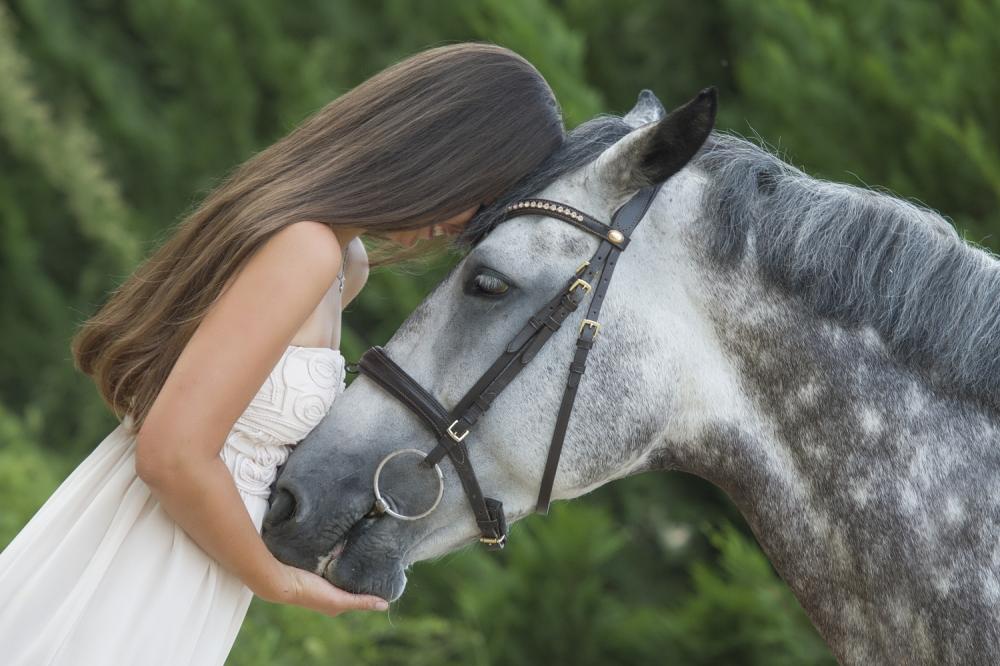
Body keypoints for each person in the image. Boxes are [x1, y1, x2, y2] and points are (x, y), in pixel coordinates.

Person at [0, 41, 564, 665]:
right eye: (480, 195)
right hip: (143, 565)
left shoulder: (343, 266)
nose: (465, 226)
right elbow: (173, 454)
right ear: (438, 152)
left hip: (186, 568)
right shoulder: (306, 250)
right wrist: (281, 582)